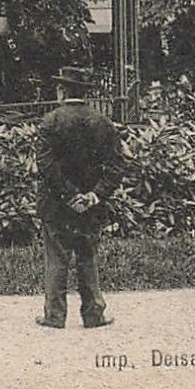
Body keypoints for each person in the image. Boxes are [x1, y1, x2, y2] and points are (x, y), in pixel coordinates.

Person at [35, 69, 122, 330]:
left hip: (57, 204)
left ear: (62, 92)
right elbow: (117, 165)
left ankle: (55, 315)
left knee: (57, 258)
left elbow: (46, 165)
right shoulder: (102, 122)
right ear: (86, 93)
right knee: (88, 255)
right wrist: (94, 195)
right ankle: (93, 313)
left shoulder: (50, 122)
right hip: (91, 205)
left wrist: (69, 195)